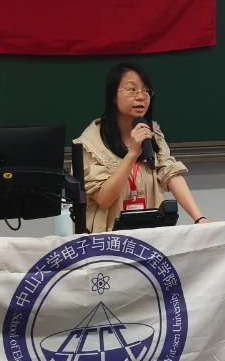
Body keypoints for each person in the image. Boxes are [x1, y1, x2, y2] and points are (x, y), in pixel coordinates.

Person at [74, 63, 209, 233]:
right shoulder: (91, 143)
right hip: (108, 241)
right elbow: (104, 199)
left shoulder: (152, 133)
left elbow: (170, 174)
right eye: (132, 89)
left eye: (146, 90)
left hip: (149, 236)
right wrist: (132, 154)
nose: (141, 96)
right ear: (113, 96)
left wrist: (199, 218)